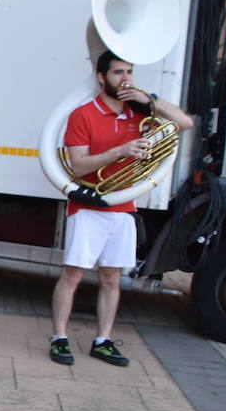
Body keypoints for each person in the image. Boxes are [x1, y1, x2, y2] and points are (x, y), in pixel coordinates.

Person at [48, 49, 193, 366]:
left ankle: (103, 340)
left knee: (113, 279)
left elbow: (185, 123)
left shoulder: (140, 114)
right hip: (89, 205)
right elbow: (80, 164)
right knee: (72, 276)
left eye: (129, 72)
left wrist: (149, 98)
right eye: (118, 72)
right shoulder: (82, 115)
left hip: (124, 207)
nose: (125, 78)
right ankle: (59, 337)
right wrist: (121, 150)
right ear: (101, 77)